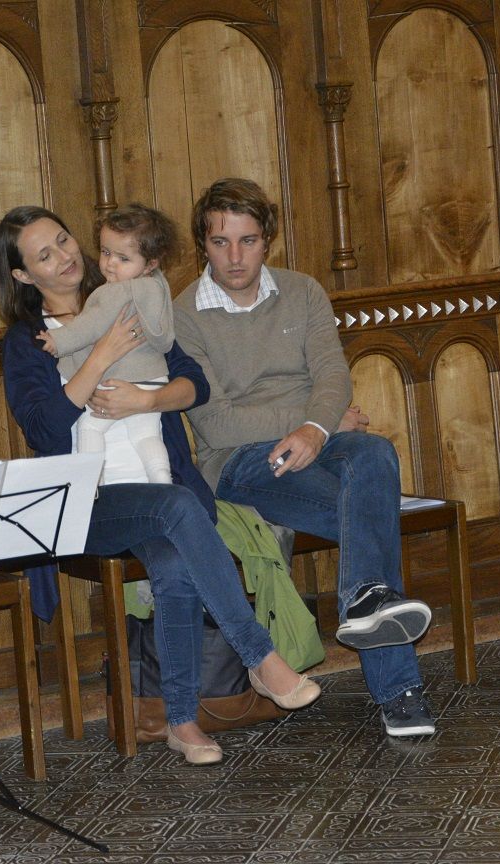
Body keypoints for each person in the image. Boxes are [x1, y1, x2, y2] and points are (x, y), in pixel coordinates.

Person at [0, 205, 320, 766]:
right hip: (88, 502)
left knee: (172, 562)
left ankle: (182, 722)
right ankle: (260, 657)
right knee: (176, 506)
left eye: (65, 239)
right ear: (23, 275)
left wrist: (146, 400)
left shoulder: (129, 296)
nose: (66, 256)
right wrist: (100, 355)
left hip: (152, 485)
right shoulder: (29, 341)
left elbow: (194, 385)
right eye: (44, 254)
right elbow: (44, 430)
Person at [173, 178, 436, 738]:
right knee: (369, 512)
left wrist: (316, 430)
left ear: (267, 240)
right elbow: (216, 422)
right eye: (220, 242)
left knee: (374, 451)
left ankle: (364, 600)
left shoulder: (303, 291)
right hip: (240, 464)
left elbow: (333, 374)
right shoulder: (183, 316)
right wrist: (319, 420)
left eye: (247, 241)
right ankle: (398, 689)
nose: (235, 256)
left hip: (318, 439)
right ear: (203, 245)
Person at [37, 203, 177, 485]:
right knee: (146, 434)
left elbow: (91, 325)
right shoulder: (158, 287)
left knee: (90, 427)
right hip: (154, 379)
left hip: (121, 380)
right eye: (106, 252)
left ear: (150, 263)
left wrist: (59, 340)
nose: (110, 263)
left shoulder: (115, 292)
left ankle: (93, 483)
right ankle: (162, 476)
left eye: (123, 258)